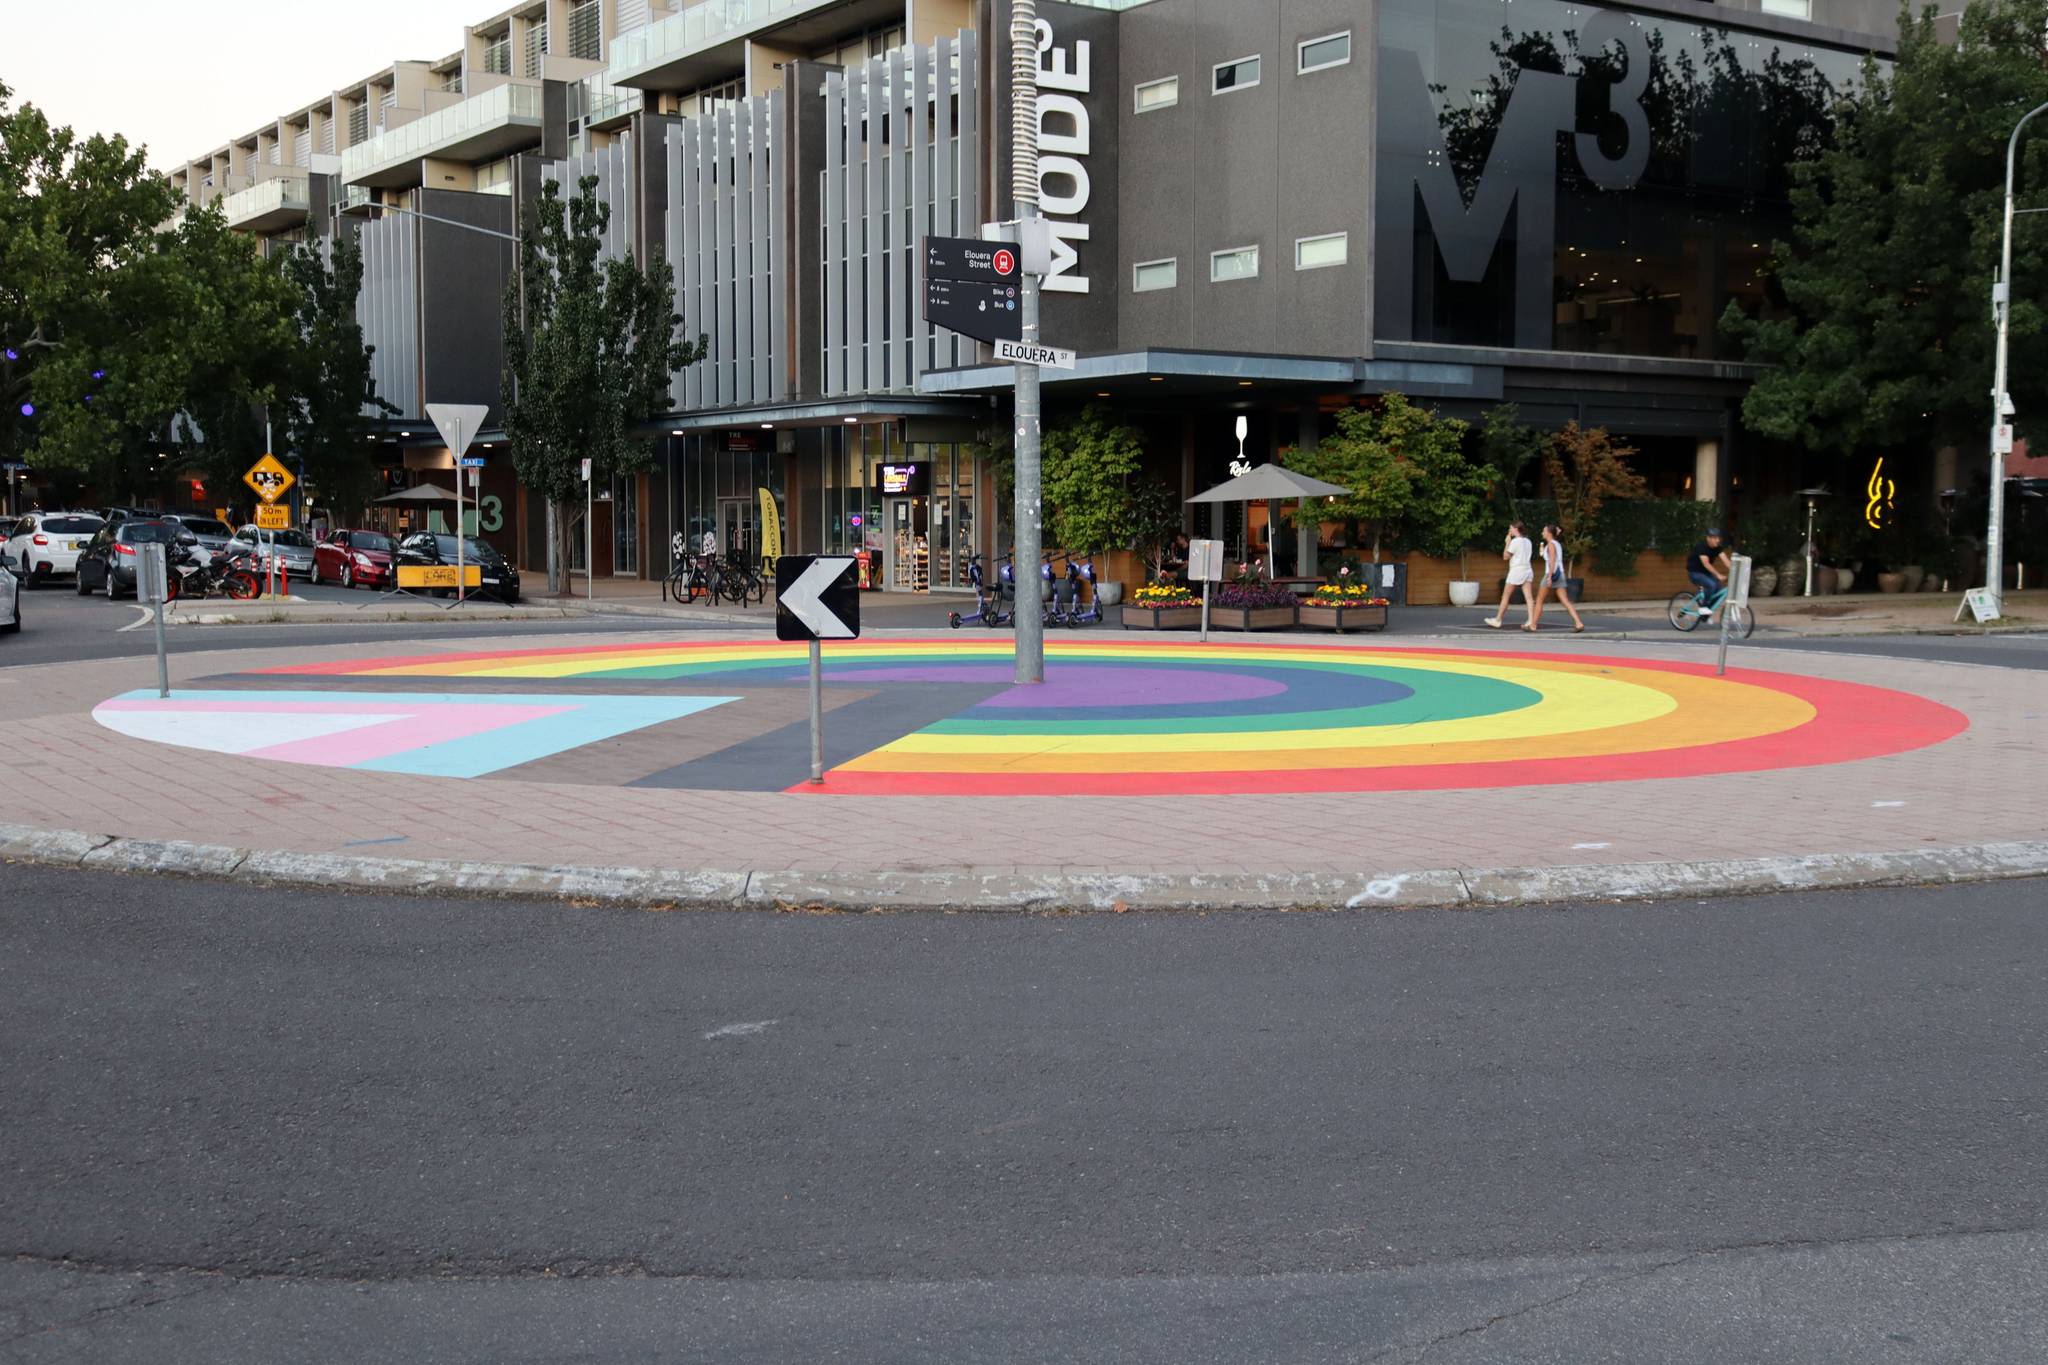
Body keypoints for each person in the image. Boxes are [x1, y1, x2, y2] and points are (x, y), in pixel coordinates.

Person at [1532, 524, 1585, 633]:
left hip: (1551, 573)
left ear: (1549, 533)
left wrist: (1550, 577)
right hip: (1560, 573)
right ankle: (1578, 623)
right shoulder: (1556, 544)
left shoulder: (1551, 544)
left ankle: (1533, 625)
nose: (1542, 533)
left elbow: (1552, 561)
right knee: (1565, 600)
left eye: (1544, 531)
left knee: (1539, 600)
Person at [1485, 520, 1536, 628]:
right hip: (1527, 569)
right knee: (1529, 597)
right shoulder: (1528, 541)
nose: (1509, 530)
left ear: (1516, 529)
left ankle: (1498, 619)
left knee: (1505, 596)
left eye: (1511, 528)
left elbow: (1505, 556)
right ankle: (1531, 620)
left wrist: (1507, 542)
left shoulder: (1515, 542)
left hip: (1516, 570)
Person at [1688, 527, 1731, 621]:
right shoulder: (1701, 547)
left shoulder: (1718, 548)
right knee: (1711, 585)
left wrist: (1735, 571)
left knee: (1719, 591)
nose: (1718, 540)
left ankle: (1705, 615)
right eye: (1715, 538)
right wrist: (1718, 575)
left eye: (1718, 538)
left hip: (1705, 573)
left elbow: (1726, 561)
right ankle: (1703, 607)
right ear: (1708, 538)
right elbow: (1706, 564)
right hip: (1695, 573)